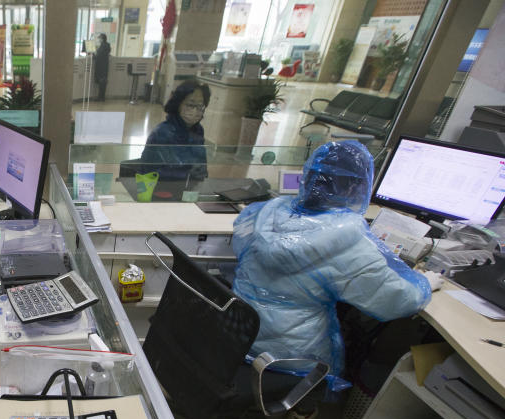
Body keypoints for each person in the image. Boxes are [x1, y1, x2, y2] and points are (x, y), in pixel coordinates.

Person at [231, 140, 433, 389]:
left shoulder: (262, 212)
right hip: (291, 357)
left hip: (237, 336)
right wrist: (426, 283)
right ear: (357, 188)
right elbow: (399, 302)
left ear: (307, 177)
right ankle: (306, 403)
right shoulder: (348, 239)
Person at [141, 78, 210, 184]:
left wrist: (200, 173)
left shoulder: (198, 130)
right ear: (178, 104)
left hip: (189, 190)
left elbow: (201, 165)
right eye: (190, 105)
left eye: (200, 106)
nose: (195, 110)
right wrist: (186, 175)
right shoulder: (162, 132)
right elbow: (150, 171)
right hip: (161, 191)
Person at [93, 34, 110, 101]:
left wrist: (93, 54)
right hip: (105, 67)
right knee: (103, 82)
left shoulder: (103, 46)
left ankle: (100, 97)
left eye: (99, 38)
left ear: (102, 39)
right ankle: (102, 97)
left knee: (101, 82)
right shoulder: (107, 45)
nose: (99, 40)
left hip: (101, 67)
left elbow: (98, 56)